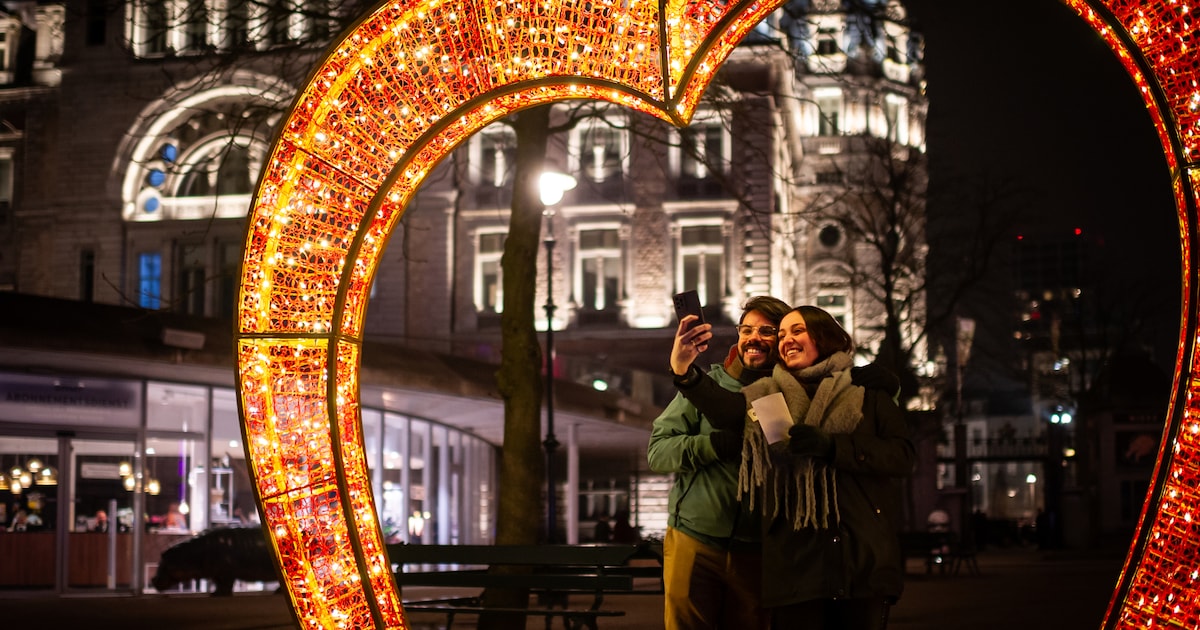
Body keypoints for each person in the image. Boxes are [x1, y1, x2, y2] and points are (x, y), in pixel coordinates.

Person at [674, 305, 913, 630]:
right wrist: (685, 372)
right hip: (796, 569)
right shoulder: (772, 400)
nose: (786, 340)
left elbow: (901, 455)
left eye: (797, 331)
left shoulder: (866, 394)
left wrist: (834, 447)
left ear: (825, 337)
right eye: (782, 333)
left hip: (862, 565)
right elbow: (728, 411)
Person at [647, 295, 791, 630]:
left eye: (767, 331)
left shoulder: (789, 394)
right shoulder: (709, 384)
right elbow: (658, 452)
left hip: (757, 550)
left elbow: (780, 449)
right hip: (695, 539)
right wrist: (709, 445)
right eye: (747, 329)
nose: (753, 337)